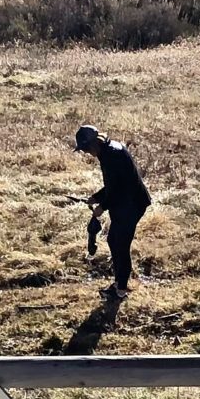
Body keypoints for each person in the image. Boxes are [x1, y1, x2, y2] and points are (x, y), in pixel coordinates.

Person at [72, 125, 151, 293]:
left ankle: (121, 289)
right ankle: (118, 284)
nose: (86, 152)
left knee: (120, 244)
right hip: (125, 202)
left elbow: (118, 189)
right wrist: (96, 197)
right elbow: (113, 185)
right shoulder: (108, 151)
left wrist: (102, 206)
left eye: (85, 149)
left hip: (132, 204)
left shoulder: (111, 156)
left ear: (93, 144)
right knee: (114, 241)